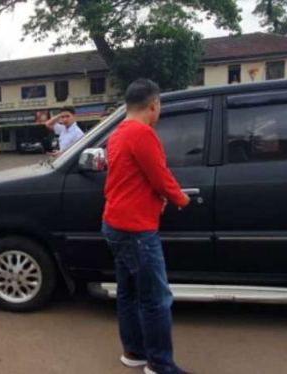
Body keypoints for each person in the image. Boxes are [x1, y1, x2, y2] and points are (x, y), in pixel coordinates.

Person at [102, 79, 192, 374]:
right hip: (136, 230)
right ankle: (160, 365)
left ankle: (134, 352)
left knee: (128, 293)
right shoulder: (143, 133)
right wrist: (180, 199)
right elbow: (160, 175)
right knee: (156, 299)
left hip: (115, 223)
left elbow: (132, 178)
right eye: (159, 106)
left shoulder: (117, 134)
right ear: (153, 104)